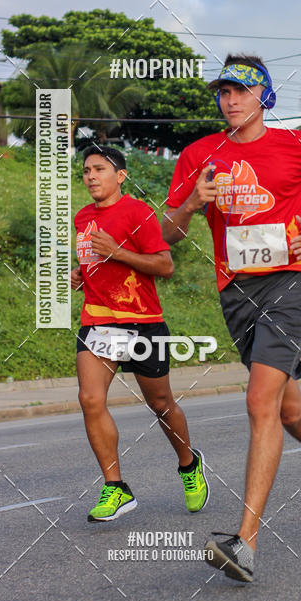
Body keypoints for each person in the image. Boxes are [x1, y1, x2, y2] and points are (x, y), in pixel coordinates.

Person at [162, 55, 301, 583]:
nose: (230, 100)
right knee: (288, 410)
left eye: (242, 90)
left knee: (259, 403)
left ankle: (245, 543)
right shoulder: (199, 155)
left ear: (264, 97)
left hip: (291, 283)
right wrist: (191, 204)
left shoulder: (297, 145)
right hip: (236, 293)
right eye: (224, 91)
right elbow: (167, 236)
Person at [71, 146, 208, 522]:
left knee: (161, 403)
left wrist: (117, 252)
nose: (91, 176)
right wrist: (81, 274)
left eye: (100, 169)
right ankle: (116, 486)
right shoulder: (83, 217)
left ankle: (189, 464)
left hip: (142, 321)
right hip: (98, 321)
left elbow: (164, 265)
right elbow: (95, 262)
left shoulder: (138, 212)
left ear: (121, 176)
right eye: (86, 170)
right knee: (90, 399)